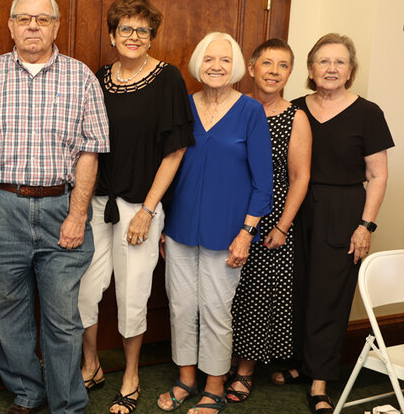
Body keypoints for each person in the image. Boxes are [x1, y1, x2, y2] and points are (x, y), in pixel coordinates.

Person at [0, 0, 110, 414]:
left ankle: (67, 403)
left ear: (56, 26)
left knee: (63, 319)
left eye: (42, 19)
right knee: (5, 310)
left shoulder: (81, 77)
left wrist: (78, 214)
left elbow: (91, 150)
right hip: (2, 208)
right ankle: (28, 393)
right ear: (10, 25)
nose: (32, 26)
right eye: (24, 19)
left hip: (60, 209)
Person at [76, 0, 194, 414]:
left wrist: (147, 210)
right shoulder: (98, 77)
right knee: (85, 292)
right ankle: (90, 363)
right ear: (112, 35)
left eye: (142, 30)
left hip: (140, 206)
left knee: (132, 295)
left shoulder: (168, 79)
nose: (133, 36)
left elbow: (175, 151)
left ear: (151, 37)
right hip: (95, 204)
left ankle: (130, 374)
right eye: (125, 28)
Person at [158, 32, 273, 414]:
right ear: (198, 64)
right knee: (180, 306)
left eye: (225, 60)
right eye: (209, 59)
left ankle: (214, 386)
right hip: (179, 228)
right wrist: (160, 224)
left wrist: (247, 233)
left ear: (237, 66)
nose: (217, 66)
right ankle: (187, 379)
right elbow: (169, 168)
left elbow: (264, 182)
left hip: (228, 233)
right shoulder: (184, 106)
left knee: (215, 311)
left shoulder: (250, 111)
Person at [286, 33, 392, 414]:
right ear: (311, 69)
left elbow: (378, 176)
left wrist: (366, 225)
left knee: (330, 293)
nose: (331, 69)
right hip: (295, 205)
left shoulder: (368, 113)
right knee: (296, 285)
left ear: (351, 70)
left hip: (344, 208)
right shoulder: (294, 108)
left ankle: (320, 379)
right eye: (323, 61)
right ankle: (301, 362)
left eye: (340, 62)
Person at [226, 38, 311, 403]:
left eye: (283, 65)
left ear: (290, 73)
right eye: (267, 64)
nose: (274, 72)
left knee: (255, 295)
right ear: (251, 68)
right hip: (227, 211)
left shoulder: (296, 117)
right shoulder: (233, 108)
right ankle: (220, 361)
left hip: (270, 221)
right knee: (224, 293)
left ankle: (245, 370)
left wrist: (281, 226)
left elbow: (300, 177)